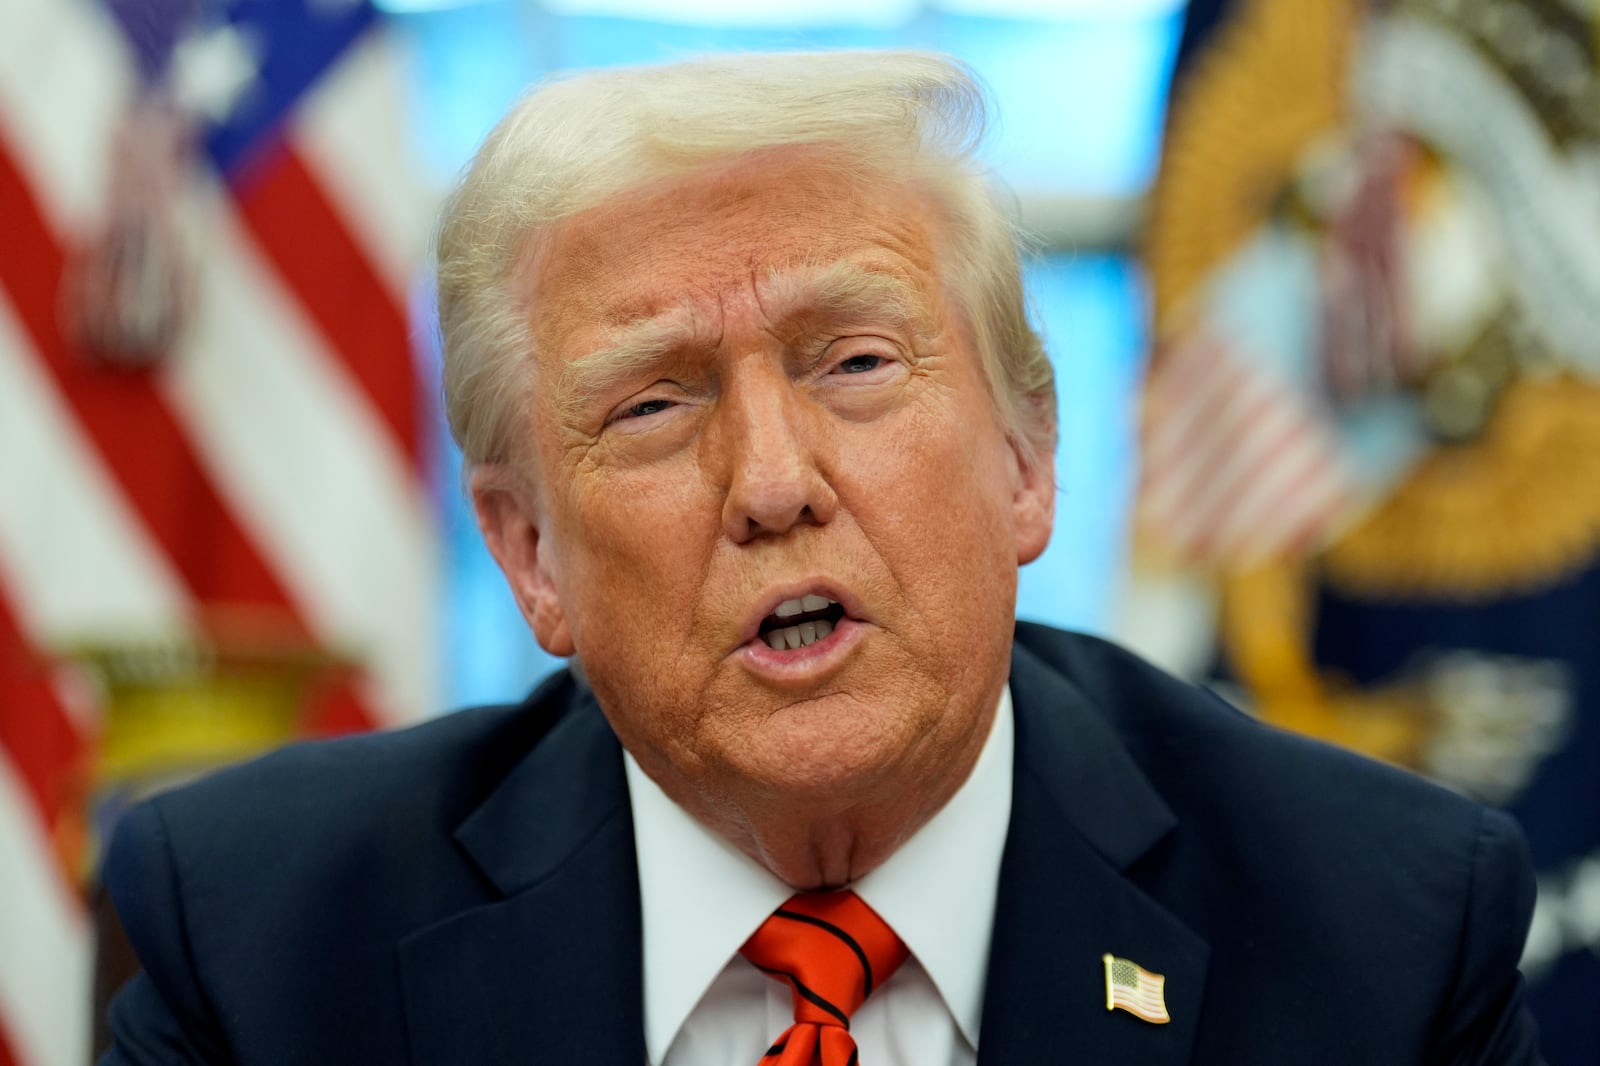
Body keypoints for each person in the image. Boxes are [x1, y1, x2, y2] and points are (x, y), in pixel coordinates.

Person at [99, 51, 1543, 1064]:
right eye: (655, 402)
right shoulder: (266, 940)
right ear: (530, 552)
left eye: (854, 361)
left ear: (1028, 461)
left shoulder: (1378, 932)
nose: (774, 484)